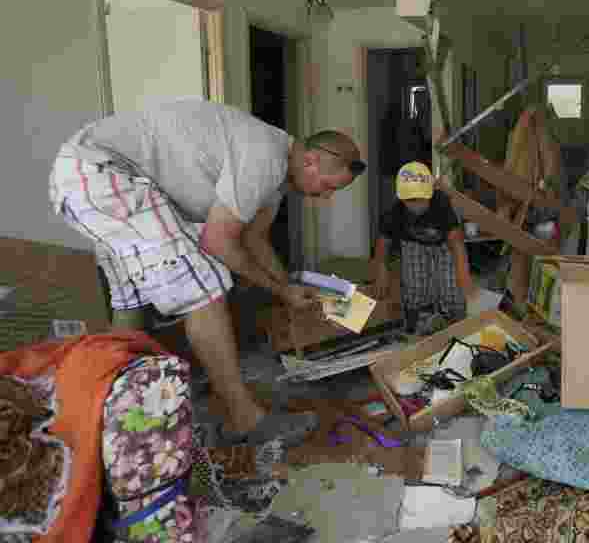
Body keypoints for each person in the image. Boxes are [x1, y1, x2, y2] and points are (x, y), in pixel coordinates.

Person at [48, 99, 365, 447]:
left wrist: (286, 288)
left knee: (131, 303)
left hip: (87, 176)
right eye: (330, 185)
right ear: (310, 160)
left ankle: (104, 412)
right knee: (206, 289)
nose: (327, 197)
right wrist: (281, 291)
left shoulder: (276, 176)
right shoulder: (264, 157)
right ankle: (246, 418)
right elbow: (217, 241)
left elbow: (254, 238)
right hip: (104, 173)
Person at [367, 161, 477, 334]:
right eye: (411, 200)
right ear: (401, 198)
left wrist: (463, 274)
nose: (416, 204)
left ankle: (457, 325)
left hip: (444, 245)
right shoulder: (393, 212)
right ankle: (414, 326)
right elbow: (383, 243)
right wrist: (381, 271)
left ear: (431, 193)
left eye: (421, 199)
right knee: (414, 286)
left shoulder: (442, 204)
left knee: (451, 288)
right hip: (413, 244)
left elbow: (456, 242)